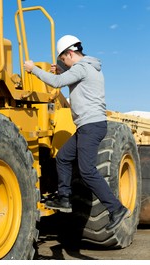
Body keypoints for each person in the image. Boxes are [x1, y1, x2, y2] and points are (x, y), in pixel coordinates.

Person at [24, 35, 130, 230]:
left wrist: (34, 69)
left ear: (70, 53)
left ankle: (116, 209)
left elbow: (56, 83)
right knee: (63, 157)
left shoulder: (82, 68)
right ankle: (64, 198)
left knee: (87, 170)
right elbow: (69, 76)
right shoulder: (89, 68)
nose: (62, 63)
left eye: (63, 59)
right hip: (86, 126)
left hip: (91, 126)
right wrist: (62, 69)